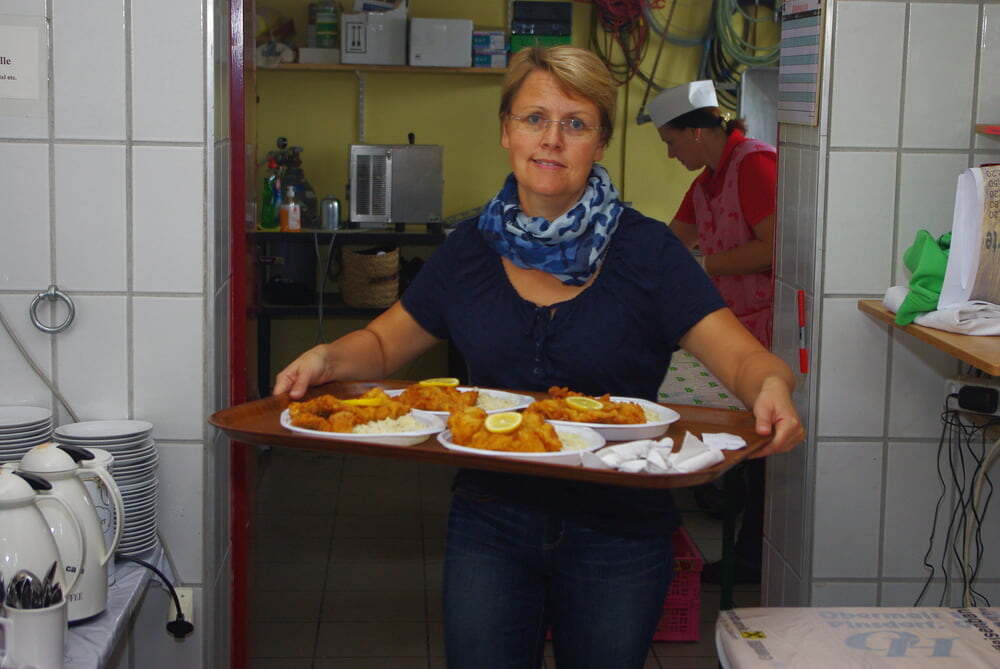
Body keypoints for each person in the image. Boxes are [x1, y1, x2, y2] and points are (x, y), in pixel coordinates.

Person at [274, 47, 803, 669]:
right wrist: (329, 357)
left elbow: (743, 360)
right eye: (534, 119)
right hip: (491, 520)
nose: (552, 139)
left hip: (621, 530)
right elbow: (387, 342)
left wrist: (770, 385)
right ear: (507, 131)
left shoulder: (649, 253)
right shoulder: (469, 249)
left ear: (600, 143)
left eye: (576, 123)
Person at [648, 81, 779, 585]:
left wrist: (704, 266)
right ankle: (741, 537)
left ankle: (751, 556)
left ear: (697, 132)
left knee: (759, 442)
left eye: (671, 141)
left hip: (767, 329)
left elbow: (773, 247)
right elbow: (668, 245)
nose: (670, 153)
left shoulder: (754, 166)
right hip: (736, 324)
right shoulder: (707, 181)